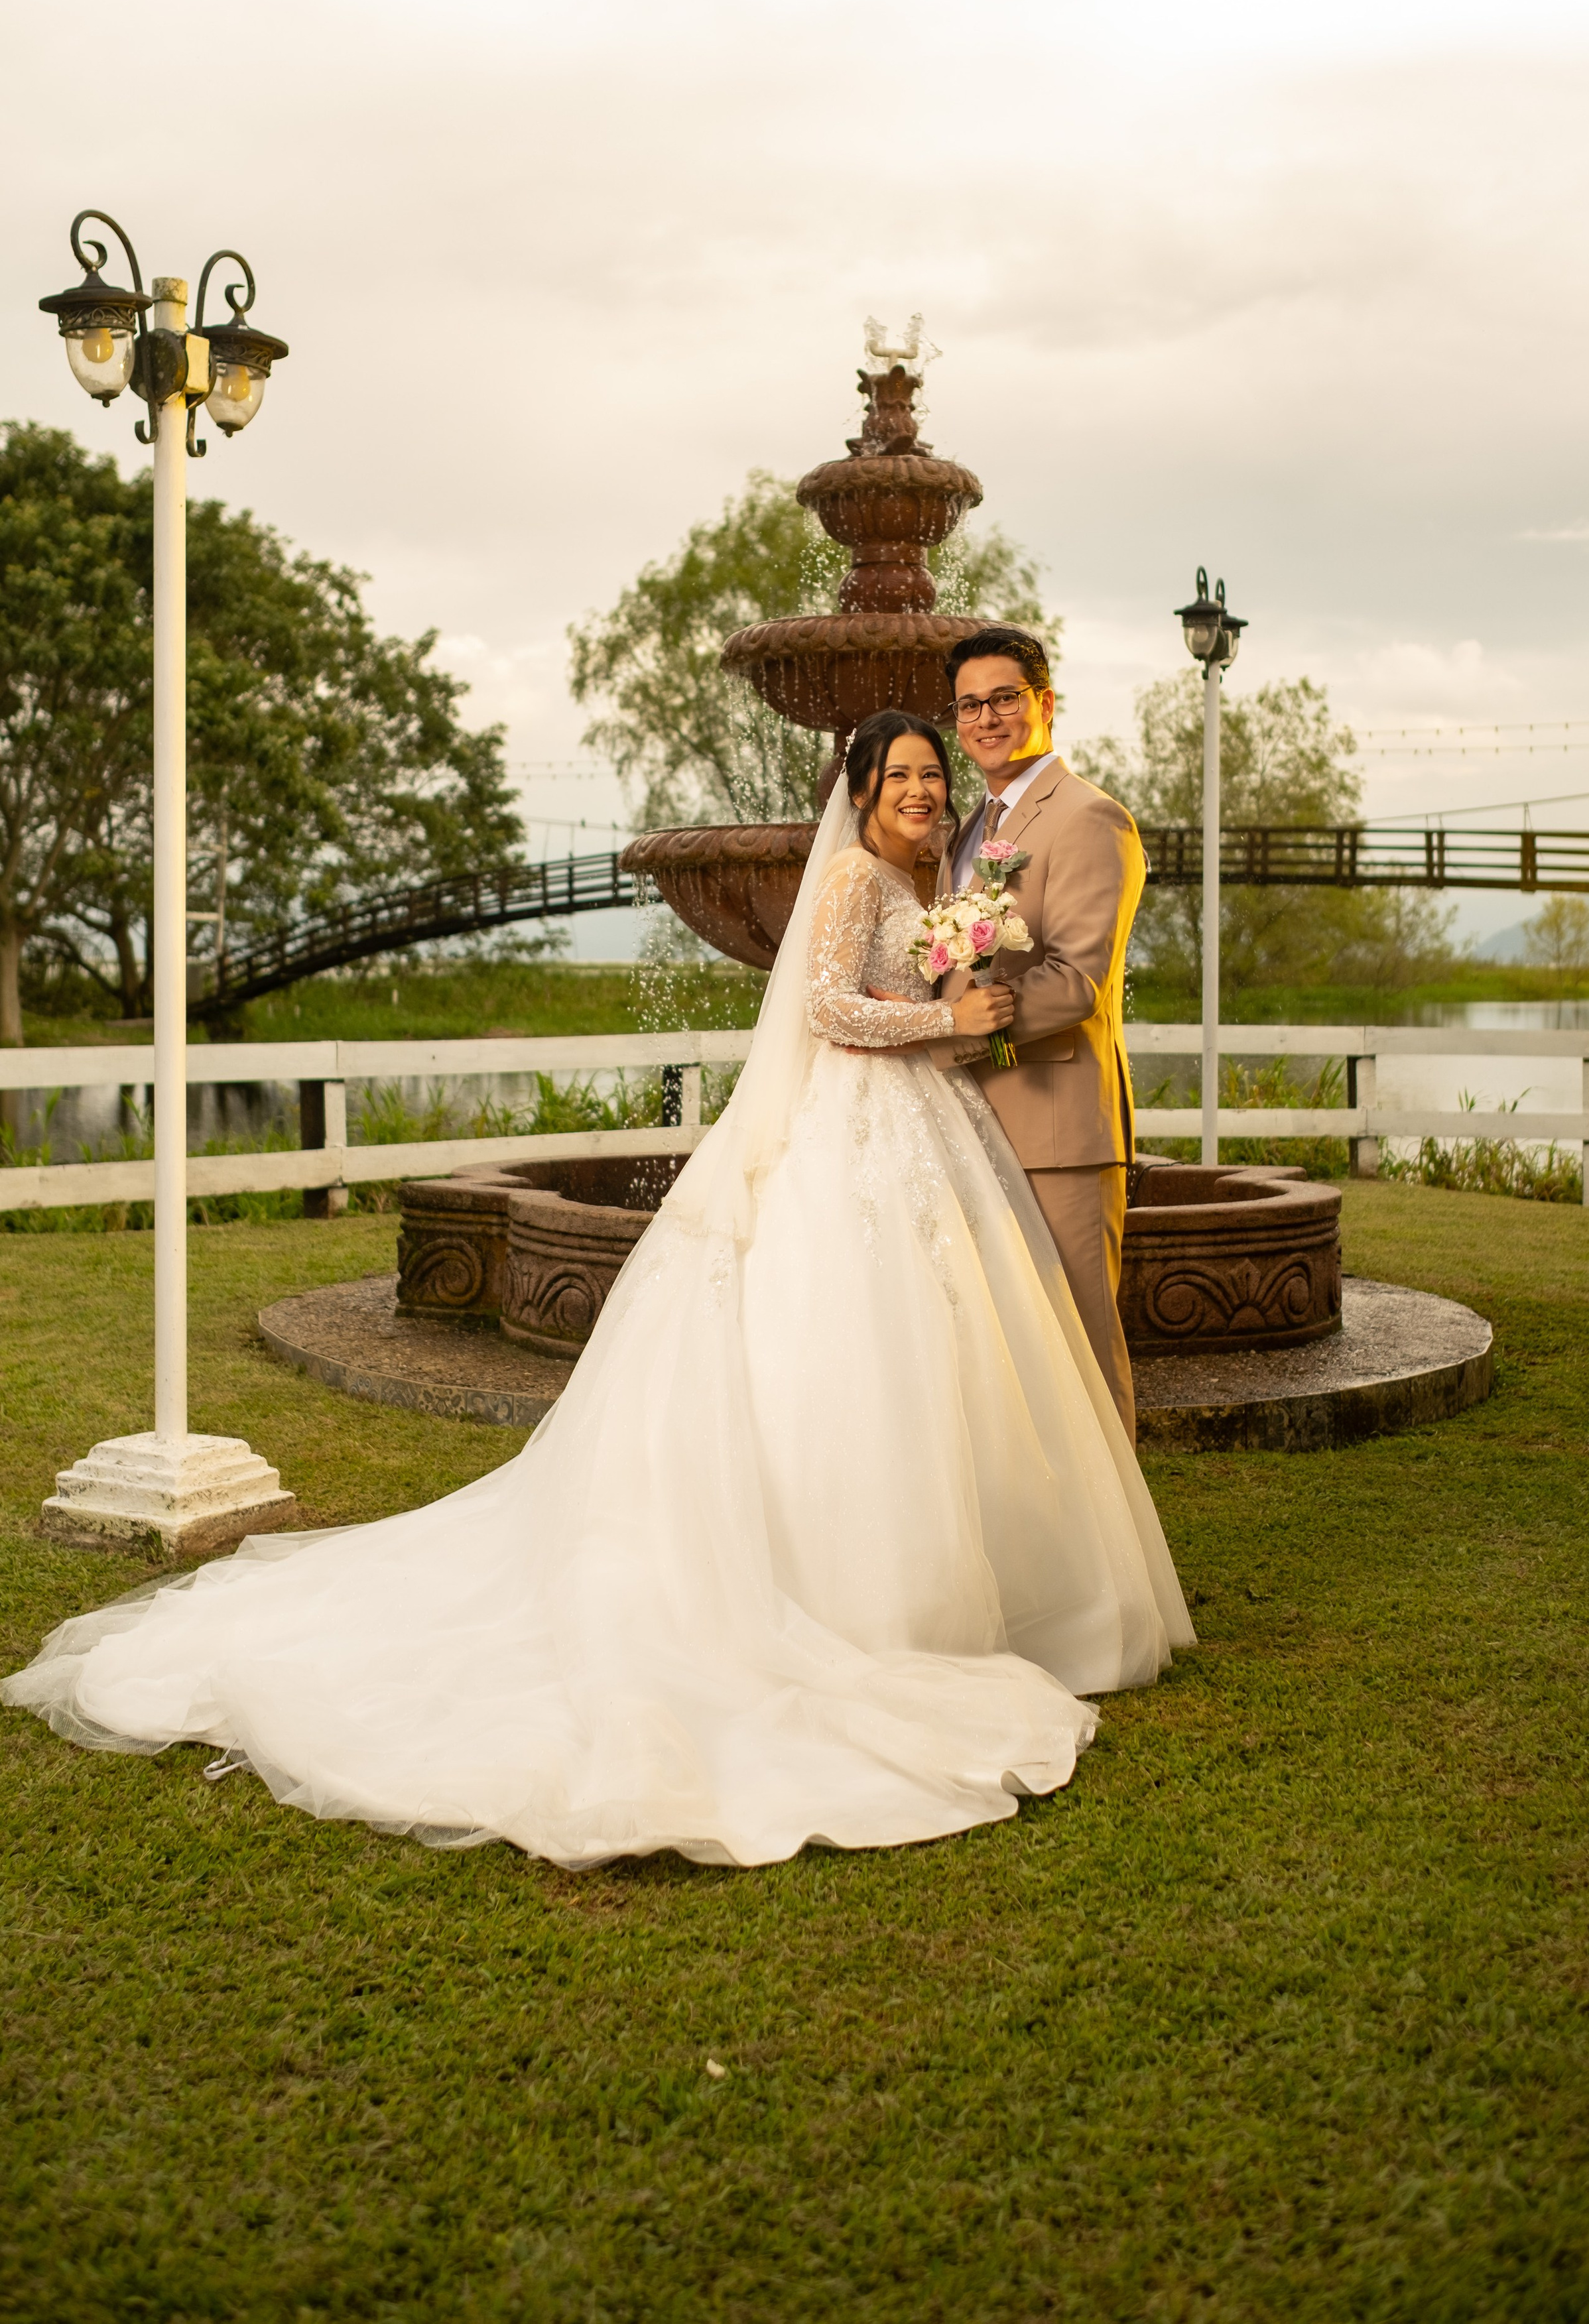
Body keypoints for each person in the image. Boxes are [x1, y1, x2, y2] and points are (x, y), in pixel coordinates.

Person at [3, 713, 1192, 1872]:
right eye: (905, 778)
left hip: (913, 1128)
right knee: (840, 1351)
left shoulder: (929, 890)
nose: (925, 794)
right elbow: (825, 1010)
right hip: (849, 1142)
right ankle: (854, 1603)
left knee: (923, 1359)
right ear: (864, 789)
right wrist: (948, 1011)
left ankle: (957, 1590)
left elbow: (896, 1016)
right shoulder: (846, 884)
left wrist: (959, 1015)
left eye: (935, 776)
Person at [934, 629, 1144, 1446]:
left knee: (1081, 1354)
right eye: (969, 704)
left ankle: (1119, 1572)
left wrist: (949, 1035)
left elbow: (1077, 980)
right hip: (966, 1124)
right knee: (1003, 1364)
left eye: (1003, 698)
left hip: (1058, 1127)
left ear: (1043, 703)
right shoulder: (963, 832)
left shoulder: (1093, 818)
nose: (986, 717)